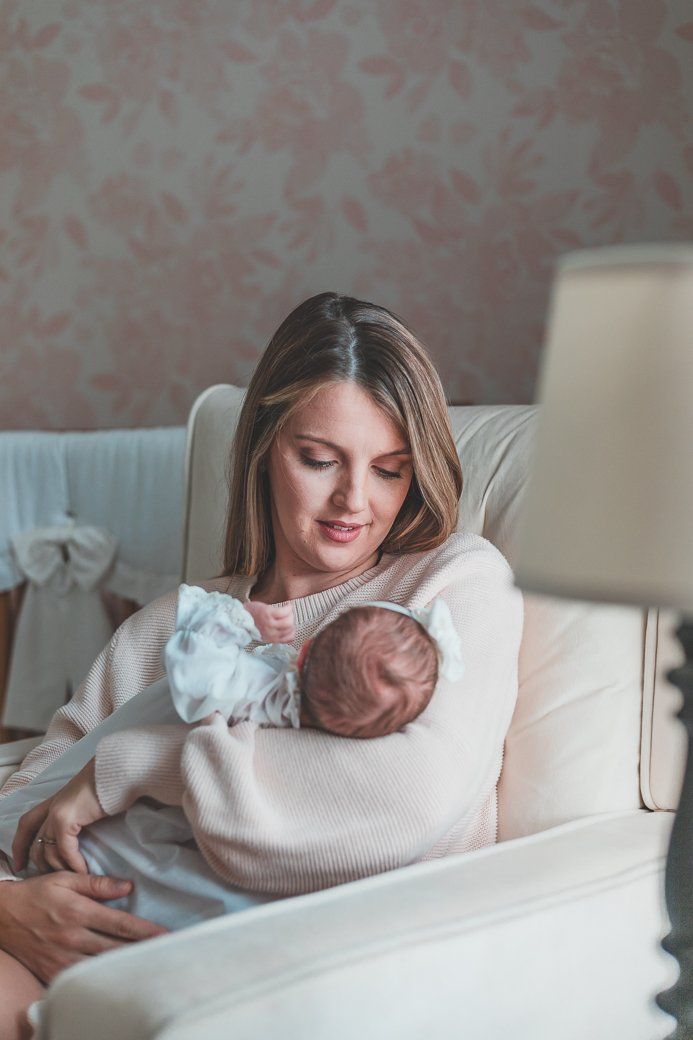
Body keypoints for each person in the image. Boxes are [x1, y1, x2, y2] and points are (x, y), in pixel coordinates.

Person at [0, 291, 523, 1039]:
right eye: (318, 460)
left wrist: (141, 763)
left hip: (267, 977)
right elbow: (36, 798)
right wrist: (9, 908)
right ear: (262, 451)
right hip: (67, 943)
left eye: (388, 469)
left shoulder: (450, 588)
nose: (353, 501)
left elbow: (403, 805)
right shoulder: (169, 628)